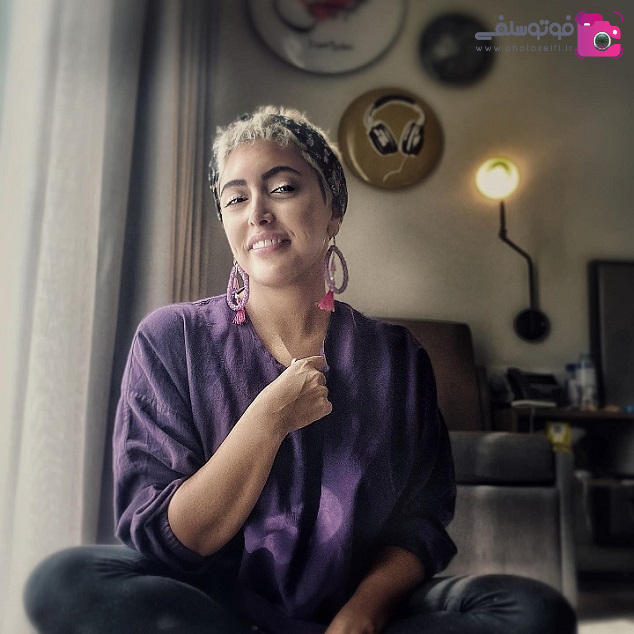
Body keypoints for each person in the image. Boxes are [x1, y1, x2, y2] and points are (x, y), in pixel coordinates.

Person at [24, 106, 576, 634]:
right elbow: (171, 538)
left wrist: (364, 614)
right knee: (65, 580)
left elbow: (420, 524)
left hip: (351, 607)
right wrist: (266, 421)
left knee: (531, 610)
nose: (258, 213)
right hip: (212, 609)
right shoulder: (172, 339)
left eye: (283, 188)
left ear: (334, 210)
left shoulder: (397, 357)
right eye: (235, 198)